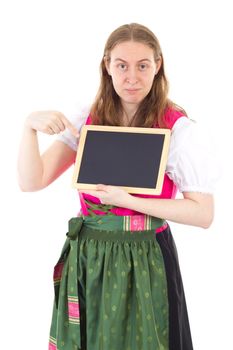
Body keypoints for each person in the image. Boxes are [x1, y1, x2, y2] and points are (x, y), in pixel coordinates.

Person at [18, 23, 218, 350]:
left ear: (158, 66)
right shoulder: (89, 119)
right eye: (121, 65)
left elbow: (203, 214)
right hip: (90, 257)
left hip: (146, 255)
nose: (132, 77)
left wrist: (127, 200)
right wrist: (29, 127)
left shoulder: (175, 126)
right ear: (107, 66)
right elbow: (31, 181)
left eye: (143, 66)